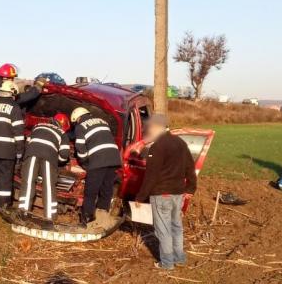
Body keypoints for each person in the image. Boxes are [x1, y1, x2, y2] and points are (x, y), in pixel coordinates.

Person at [134, 114, 197, 271]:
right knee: (176, 227)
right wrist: (190, 188)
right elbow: (190, 167)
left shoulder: (158, 146)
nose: (149, 131)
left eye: (150, 128)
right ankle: (180, 258)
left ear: (156, 127)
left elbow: (151, 175)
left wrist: (140, 197)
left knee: (163, 230)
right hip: (178, 194)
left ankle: (167, 263)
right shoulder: (180, 143)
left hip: (161, 194)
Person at [72, 106, 120, 227]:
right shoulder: (103, 122)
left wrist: (85, 163)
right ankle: (102, 218)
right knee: (106, 189)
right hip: (114, 157)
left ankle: (87, 220)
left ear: (77, 119)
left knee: (90, 192)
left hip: (99, 160)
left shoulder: (80, 126)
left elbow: (80, 148)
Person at [18, 113, 71, 222]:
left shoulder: (38, 126)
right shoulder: (62, 133)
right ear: (63, 125)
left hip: (31, 153)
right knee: (48, 185)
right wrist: (58, 162)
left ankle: (23, 211)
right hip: (49, 157)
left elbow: (28, 143)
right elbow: (65, 154)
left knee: (28, 182)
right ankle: (50, 216)